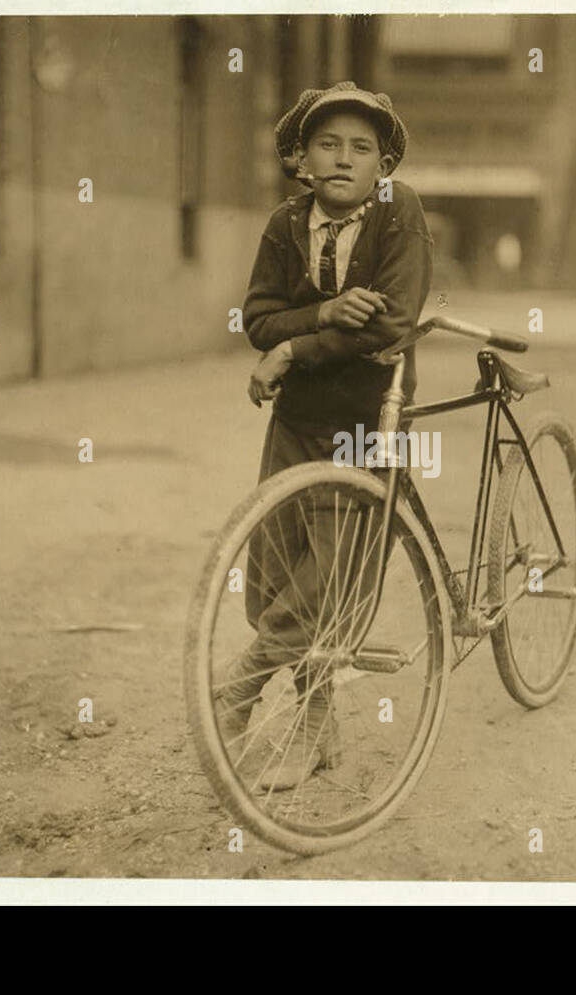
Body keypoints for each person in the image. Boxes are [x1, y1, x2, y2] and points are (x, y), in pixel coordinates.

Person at [216, 81, 433, 791]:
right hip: (296, 418)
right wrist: (328, 312)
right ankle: (323, 727)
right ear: (302, 158)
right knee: (276, 564)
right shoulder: (286, 225)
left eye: (361, 148)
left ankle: (245, 689)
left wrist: (294, 349)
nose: (344, 159)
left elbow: (393, 321)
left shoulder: (399, 214)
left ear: (382, 164)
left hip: (369, 417)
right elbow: (257, 318)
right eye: (328, 145)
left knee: (330, 576)